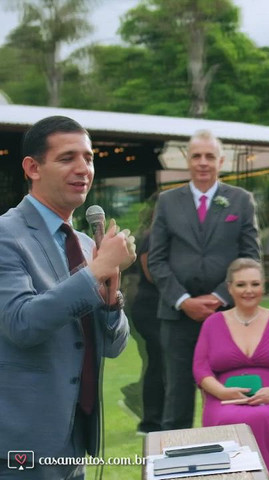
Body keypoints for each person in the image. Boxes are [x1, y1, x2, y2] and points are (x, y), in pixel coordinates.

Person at [0, 115, 134, 479]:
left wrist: (110, 301)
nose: (83, 169)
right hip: (21, 440)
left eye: (89, 158)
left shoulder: (88, 244)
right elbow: (21, 324)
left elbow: (113, 347)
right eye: (67, 158)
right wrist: (94, 273)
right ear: (33, 167)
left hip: (75, 437)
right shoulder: (6, 236)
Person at [149, 129, 261, 430]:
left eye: (209, 156)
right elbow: (156, 259)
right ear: (188, 160)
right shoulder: (168, 201)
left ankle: (230, 464)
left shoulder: (240, 201)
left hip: (227, 315)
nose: (203, 162)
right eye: (196, 156)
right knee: (177, 398)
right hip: (177, 317)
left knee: (230, 394)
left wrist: (220, 297)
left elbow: (250, 258)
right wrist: (183, 301)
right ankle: (176, 471)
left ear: (221, 161)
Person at [193, 258, 269, 480]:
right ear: (229, 288)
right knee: (227, 420)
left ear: (263, 285)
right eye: (241, 285)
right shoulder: (212, 323)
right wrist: (222, 392)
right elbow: (201, 368)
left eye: (255, 284)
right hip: (224, 399)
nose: (249, 290)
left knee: (263, 417)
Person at [122, 192, 165, 435]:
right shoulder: (152, 235)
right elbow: (152, 274)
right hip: (147, 309)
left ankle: (146, 410)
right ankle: (150, 421)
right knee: (157, 362)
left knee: (156, 363)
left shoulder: (156, 233)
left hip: (150, 309)